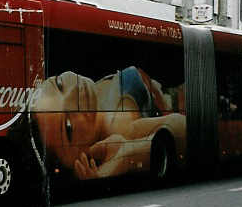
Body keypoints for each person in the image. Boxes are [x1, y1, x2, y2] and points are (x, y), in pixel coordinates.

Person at [30, 67, 185, 180]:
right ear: (75, 164)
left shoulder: (99, 104)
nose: (73, 93)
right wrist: (128, 156)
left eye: (59, 84)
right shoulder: (121, 126)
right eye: (68, 127)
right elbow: (182, 127)